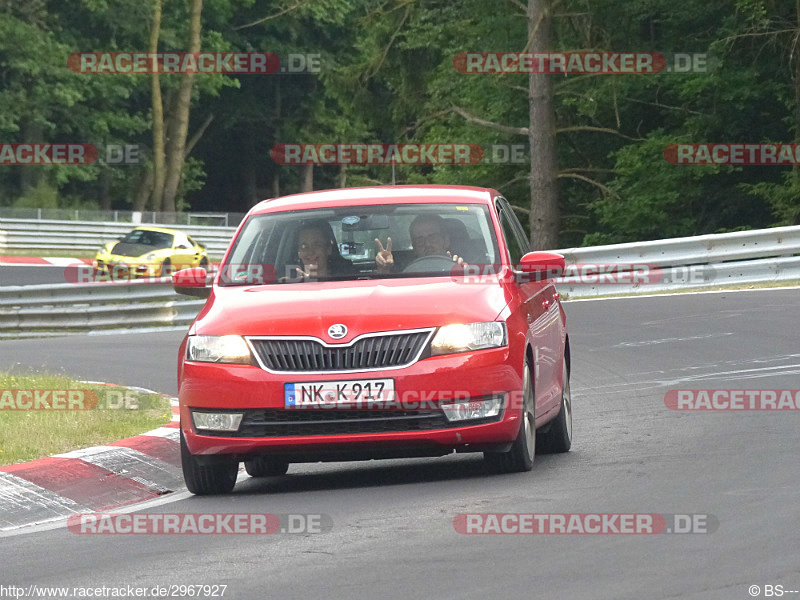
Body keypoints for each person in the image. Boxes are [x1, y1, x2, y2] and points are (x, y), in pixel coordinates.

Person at [375, 213, 465, 273]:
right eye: (420, 240)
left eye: (433, 237)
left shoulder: (459, 266)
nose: (427, 244)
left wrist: (464, 271)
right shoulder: (404, 273)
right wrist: (384, 269)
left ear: (446, 241)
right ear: (414, 247)